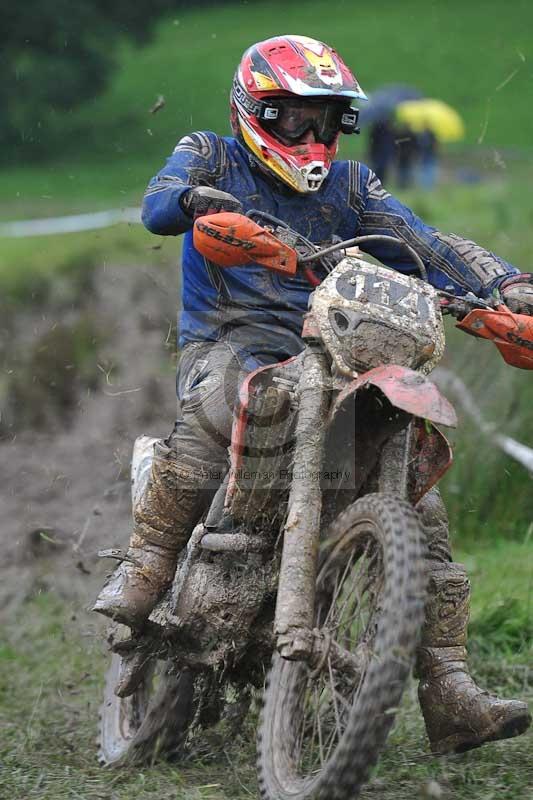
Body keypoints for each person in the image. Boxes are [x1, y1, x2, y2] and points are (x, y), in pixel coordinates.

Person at [94, 34, 533, 754]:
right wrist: (197, 201)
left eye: (324, 121)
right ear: (253, 110)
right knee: (218, 402)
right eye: (292, 118)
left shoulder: (354, 186)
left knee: (420, 497)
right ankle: (145, 567)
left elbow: (421, 242)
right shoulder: (210, 152)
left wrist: (504, 287)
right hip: (234, 343)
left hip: (339, 347)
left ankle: (449, 687)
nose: (309, 135)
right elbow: (158, 205)